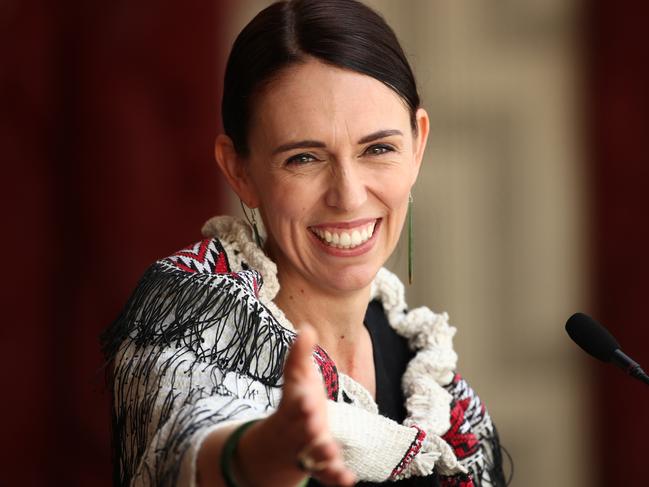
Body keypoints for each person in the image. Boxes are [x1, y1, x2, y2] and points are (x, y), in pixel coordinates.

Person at [102, 1, 507, 486]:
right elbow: (189, 438)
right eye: (304, 158)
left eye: (378, 149)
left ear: (417, 145)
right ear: (239, 170)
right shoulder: (191, 316)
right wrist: (256, 456)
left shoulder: (434, 384)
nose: (349, 195)